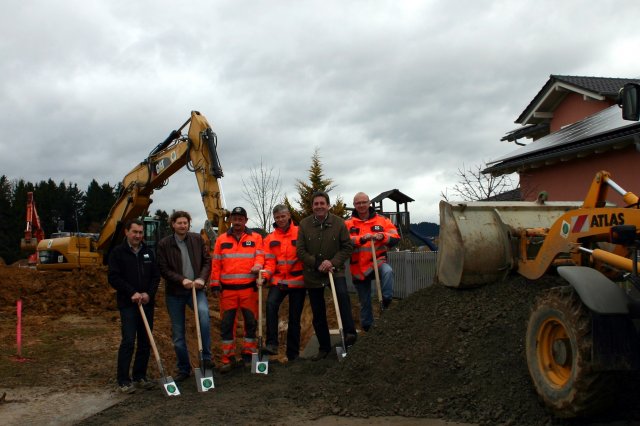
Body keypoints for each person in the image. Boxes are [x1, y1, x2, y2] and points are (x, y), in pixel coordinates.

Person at [296, 191, 357, 361]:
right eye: (316, 204)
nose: (319, 206)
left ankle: (350, 335)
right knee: (318, 311)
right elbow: (300, 251)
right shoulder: (304, 224)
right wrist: (316, 264)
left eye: (322, 203)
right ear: (312, 207)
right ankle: (323, 347)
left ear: (328, 205)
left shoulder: (338, 223)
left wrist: (332, 262)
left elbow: (347, 247)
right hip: (313, 274)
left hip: (334, 270)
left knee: (343, 297)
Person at [157, 210, 213, 382]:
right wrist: (181, 280)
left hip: (196, 290)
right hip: (175, 294)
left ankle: (206, 359)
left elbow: (207, 261)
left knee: (203, 316)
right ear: (173, 224)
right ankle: (183, 368)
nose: (183, 225)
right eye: (179, 222)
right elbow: (163, 268)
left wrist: (202, 279)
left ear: (189, 224)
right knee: (178, 333)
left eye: (185, 222)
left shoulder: (197, 239)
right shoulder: (164, 244)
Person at [108, 218, 161, 393]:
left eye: (140, 232)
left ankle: (140, 376)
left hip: (146, 303)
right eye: (135, 232)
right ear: (127, 232)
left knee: (145, 341)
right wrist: (132, 292)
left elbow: (155, 276)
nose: (138, 235)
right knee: (129, 340)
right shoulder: (118, 252)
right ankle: (123, 380)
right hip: (128, 304)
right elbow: (114, 277)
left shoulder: (148, 252)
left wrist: (148, 294)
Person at [210, 206, 265, 373]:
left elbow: (261, 255)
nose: (237, 221)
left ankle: (249, 354)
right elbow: (216, 263)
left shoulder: (255, 238)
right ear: (230, 220)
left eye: (241, 219)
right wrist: (214, 283)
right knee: (227, 324)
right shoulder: (221, 240)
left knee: (250, 323)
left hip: (249, 289)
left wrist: (258, 265)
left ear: (246, 221)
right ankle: (228, 357)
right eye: (235, 218)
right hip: (227, 291)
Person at [345, 192, 400, 331]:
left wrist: (382, 236)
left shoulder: (382, 220)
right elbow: (344, 241)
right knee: (365, 302)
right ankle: (368, 329)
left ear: (369, 203)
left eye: (364, 202)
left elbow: (395, 237)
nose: (362, 205)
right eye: (358, 203)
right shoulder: (348, 223)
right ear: (354, 205)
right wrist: (361, 239)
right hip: (359, 267)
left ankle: (386, 300)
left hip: (378, 261)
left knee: (388, 271)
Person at [262, 204, 306, 361]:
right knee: (271, 305)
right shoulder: (270, 239)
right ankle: (272, 344)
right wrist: (265, 276)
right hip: (279, 281)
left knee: (294, 318)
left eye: (283, 216)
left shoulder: (301, 232)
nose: (280, 219)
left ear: (289, 216)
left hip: (298, 282)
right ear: (274, 219)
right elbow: (269, 262)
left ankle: (293, 354)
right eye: (277, 217)